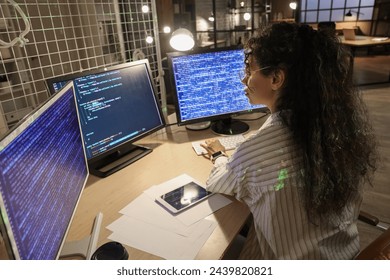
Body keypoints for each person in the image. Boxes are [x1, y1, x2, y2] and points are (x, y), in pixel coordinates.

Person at [201, 22, 378, 259]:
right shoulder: (338, 129)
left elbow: (218, 182)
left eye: (249, 70)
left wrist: (218, 155)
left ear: (276, 78)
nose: (244, 80)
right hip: (343, 255)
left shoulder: (257, 152)